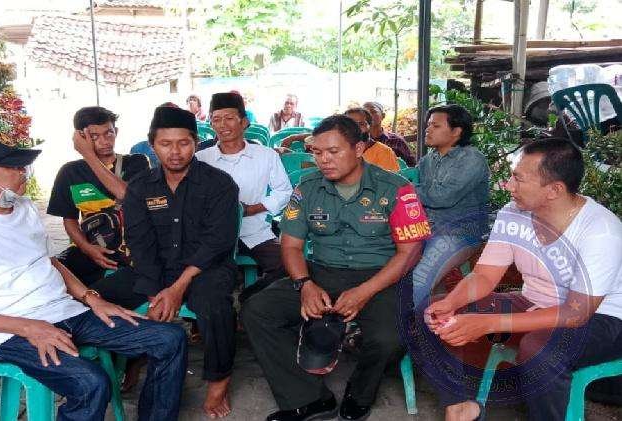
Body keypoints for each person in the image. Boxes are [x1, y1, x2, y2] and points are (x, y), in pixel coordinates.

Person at [0, 129, 187, 421]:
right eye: (13, 166)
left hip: (63, 311)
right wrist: (30, 328)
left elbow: (49, 262)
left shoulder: (23, 208)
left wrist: (92, 298)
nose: (23, 172)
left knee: (169, 339)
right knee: (90, 383)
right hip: (6, 332)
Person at [242, 115, 431, 421]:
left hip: (380, 277)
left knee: (390, 337)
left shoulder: (396, 188)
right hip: (321, 272)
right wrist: (304, 284)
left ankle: (361, 391)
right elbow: (290, 245)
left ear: (358, 149)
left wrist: (365, 291)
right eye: (317, 152)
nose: (324, 160)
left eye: (333, 151)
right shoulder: (307, 187)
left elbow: (410, 253)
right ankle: (310, 398)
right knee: (258, 310)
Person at [424, 138, 622, 421]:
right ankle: (462, 407)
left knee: (541, 350)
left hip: (602, 319)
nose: (508, 186)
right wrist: (452, 302)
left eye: (518, 179)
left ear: (554, 190)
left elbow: (575, 314)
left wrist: (490, 323)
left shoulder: (601, 231)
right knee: (434, 312)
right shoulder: (512, 213)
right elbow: (484, 275)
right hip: (534, 303)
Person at [92, 106, 240, 418]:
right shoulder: (140, 187)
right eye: (165, 144)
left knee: (214, 304)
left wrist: (178, 287)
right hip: (155, 268)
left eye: (183, 143)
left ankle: (219, 380)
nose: (175, 152)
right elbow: (140, 243)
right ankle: (129, 359)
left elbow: (217, 242)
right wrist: (154, 293)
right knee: (99, 296)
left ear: (195, 142)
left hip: (206, 267)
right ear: (152, 145)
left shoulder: (220, 183)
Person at [197, 92, 292, 297]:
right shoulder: (200, 159)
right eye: (216, 119)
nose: (223, 125)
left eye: (229, 118)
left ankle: (249, 298)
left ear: (244, 122)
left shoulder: (265, 155)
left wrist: (252, 209)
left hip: (254, 232)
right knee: (205, 276)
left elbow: (284, 191)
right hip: (212, 234)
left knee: (289, 266)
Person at [47, 107, 149, 287]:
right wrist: (87, 249)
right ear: (81, 137)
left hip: (134, 251)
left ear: (116, 132)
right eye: (94, 136)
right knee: (52, 276)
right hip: (91, 247)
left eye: (109, 133)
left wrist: (88, 154)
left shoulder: (137, 162)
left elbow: (126, 195)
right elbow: (69, 220)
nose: (105, 141)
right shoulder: (70, 172)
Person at [412, 104, 490, 304]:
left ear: (456, 132)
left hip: (459, 233)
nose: (428, 129)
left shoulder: (471, 159)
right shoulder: (428, 160)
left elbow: (442, 197)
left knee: (419, 280)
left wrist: (407, 189)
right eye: (428, 125)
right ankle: (429, 318)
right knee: (393, 267)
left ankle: (401, 322)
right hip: (428, 231)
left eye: (436, 126)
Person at [344, 107, 400, 172]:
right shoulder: (340, 151)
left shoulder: (384, 152)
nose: (355, 128)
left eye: (361, 124)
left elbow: (390, 178)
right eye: (349, 125)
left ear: (370, 126)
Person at [362, 101, 415, 166]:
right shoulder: (358, 142)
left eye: (373, 111)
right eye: (365, 113)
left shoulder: (397, 141)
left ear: (383, 116)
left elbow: (411, 166)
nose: (369, 115)